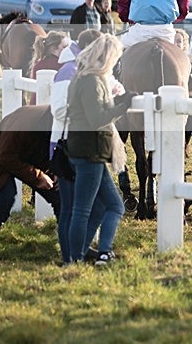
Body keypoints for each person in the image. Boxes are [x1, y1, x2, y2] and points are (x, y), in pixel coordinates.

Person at [66, 35, 137, 264]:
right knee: (83, 210)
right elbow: (97, 118)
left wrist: (119, 101)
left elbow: (96, 110)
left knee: (113, 206)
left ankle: (95, 252)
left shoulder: (83, 78)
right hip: (90, 151)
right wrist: (123, 106)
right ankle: (75, 259)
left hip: (90, 150)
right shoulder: (91, 81)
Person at [49, 29, 110, 264]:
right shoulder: (68, 72)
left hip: (83, 144)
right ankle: (70, 258)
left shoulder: (81, 70)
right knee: (71, 209)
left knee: (98, 207)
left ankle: (78, 252)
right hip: (68, 144)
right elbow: (58, 109)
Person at [0, 105, 58, 264]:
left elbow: (50, 151)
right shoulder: (26, 121)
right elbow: (5, 156)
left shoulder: (55, 121)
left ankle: (70, 249)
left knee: (59, 195)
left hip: (25, 159)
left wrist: (54, 174)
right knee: (6, 197)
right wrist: (39, 177)